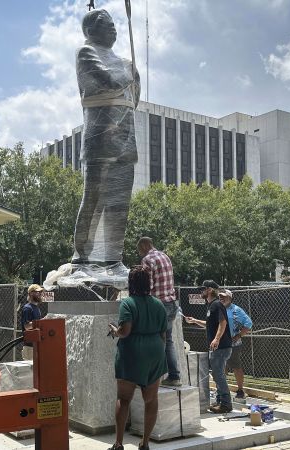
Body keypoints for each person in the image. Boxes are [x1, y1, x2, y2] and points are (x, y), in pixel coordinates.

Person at [71, 8, 141, 265]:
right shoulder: (86, 53)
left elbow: (133, 98)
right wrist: (130, 72)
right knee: (94, 198)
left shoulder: (124, 61)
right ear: (89, 30)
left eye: (114, 24)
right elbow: (108, 81)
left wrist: (132, 73)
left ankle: (113, 257)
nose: (113, 28)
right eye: (105, 24)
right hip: (99, 142)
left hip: (125, 139)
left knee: (120, 204)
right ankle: (82, 255)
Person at [107, 266, 167, 450]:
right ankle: (145, 443)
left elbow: (125, 331)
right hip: (156, 351)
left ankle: (118, 444)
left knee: (124, 399)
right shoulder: (159, 304)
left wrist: (114, 331)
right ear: (148, 283)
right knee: (151, 399)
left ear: (130, 283)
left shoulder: (127, 303)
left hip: (132, 353)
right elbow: (164, 334)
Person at [184, 280, 233, 413]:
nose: (201, 292)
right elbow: (210, 324)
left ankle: (226, 404)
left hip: (221, 347)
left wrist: (216, 339)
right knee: (218, 374)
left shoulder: (216, 304)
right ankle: (219, 401)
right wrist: (194, 321)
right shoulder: (212, 305)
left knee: (218, 376)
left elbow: (223, 323)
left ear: (210, 290)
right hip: (219, 347)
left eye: (203, 289)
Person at [137, 237, 180, 387]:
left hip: (158, 305)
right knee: (167, 341)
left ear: (144, 245)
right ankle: (174, 377)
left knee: (154, 341)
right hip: (171, 303)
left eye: (139, 250)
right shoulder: (164, 256)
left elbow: (147, 286)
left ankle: (151, 379)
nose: (140, 253)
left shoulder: (148, 260)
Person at [218, 289, 253, 399]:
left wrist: (238, 336)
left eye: (224, 296)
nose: (222, 298)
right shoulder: (217, 308)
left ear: (230, 298)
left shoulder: (236, 310)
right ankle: (222, 390)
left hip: (233, 345)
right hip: (219, 344)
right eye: (220, 296)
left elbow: (248, 324)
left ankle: (240, 390)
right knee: (221, 367)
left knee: (236, 367)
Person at [20, 284, 47, 361]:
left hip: (36, 345)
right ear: (31, 293)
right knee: (30, 372)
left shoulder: (36, 308)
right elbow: (27, 326)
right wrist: (41, 322)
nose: (40, 294)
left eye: (40, 292)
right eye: (37, 292)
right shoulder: (27, 308)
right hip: (29, 347)